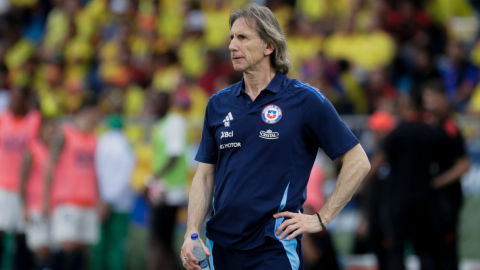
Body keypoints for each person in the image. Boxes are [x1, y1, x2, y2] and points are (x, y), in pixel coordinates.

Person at [180, 4, 371, 270]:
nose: (232, 45)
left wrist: (321, 218)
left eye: (243, 38)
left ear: (269, 45)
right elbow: (204, 175)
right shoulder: (218, 104)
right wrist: (192, 233)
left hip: (273, 246)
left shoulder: (305, 100)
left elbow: (358, 161)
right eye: (231, 38)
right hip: (218, 247)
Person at [366, 91, 440, 270]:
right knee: (425, 250)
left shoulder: (397, 133)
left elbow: (378, 163)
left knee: (396, 250)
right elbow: (438, 165)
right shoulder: (431, 132)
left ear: (408, 106)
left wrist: (362, 183)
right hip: (426, 199)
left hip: (399, 200)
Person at [43, 95, 103, 270]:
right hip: (67, 200)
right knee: (66, 247)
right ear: (89, 111)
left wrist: (99, 200)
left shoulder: (94, 137)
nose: (99, 117)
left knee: (82, 249)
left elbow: (95, 172)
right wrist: (46, 199)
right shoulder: (65, 134)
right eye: (97, 113)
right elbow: (49, 167)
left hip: (88, 201)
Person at [422, 80, 471, 270]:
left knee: (446, 247)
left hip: (446, 199)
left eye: (433, 97)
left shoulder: (450, 128)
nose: (429, 102)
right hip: (428, 199)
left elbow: (463, 165)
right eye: (427, 98)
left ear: (443, 99)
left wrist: (436, 182)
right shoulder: (425, 126)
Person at [0, 86, 41, 270]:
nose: (14, 102)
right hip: (3, 185)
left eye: (19, 98)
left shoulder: (34, 121)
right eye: (12, 98)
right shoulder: (3, 120)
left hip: (26, 188)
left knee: (22, 234)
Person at [147, 91, 188, 270]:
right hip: (163, 188)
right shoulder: (162, 123)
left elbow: (174, 154)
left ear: (167, 103)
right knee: (162, 239)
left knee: (161, 239)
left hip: (170, 190)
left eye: (158, 102)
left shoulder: (174, 122)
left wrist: (155, 177)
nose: (154, 106)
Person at [92, 115, 136, 270]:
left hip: (101, 202)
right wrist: (111, 199)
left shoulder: (101, 143)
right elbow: (127, 176)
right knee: (116, 246)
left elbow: (96, 172)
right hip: (120, 203)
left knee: (99, 244)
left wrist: (103, 200)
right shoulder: (126, 146)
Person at [357, 111, 396, 270]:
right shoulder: (372, 154)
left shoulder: (395, 155)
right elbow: (368, 193)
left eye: (377, 130)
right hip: (377, 215)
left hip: (392, 216)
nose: (374, 134)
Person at [19, 117, 57, 270]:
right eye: (48, 129)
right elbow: (23, 180)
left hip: (54, 205)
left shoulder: (57, 152)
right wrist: (24, 207)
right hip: (35, 204)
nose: (51, 133)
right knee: (39, 247)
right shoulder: (33, 150)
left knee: (51, 246)